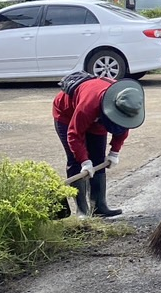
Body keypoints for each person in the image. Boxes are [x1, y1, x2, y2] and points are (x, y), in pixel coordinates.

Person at [52, 75, 145, 218]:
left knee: (98, 159)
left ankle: (99, 207)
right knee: (75, 161)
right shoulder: (88, 105)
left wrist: (115, 151)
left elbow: (124, 126)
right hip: (67, 115)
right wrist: (84, 161)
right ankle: (82, 210)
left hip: (98, 118)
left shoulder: (128, 104)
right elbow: (74, 135)